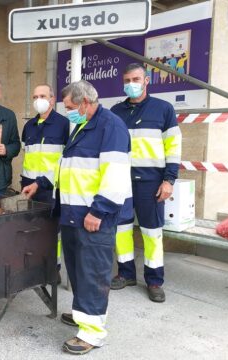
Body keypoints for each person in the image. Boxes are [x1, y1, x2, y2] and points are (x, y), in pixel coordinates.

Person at [57, 80, 131, 354]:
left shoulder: (110, 127)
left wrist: (98, 211)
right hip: (74, 214)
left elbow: (116, 176)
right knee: (78, 270)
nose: (68, 112)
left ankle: (92, 333)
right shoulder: (82, 126)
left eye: (70, 107)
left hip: (93, 217)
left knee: (93, 272)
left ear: (85, 102)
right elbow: (73, 169)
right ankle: (82, 314)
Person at [110, 63, 182, 303]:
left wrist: (169, 180)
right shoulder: (116, 111)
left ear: (146, 80)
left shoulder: (163, 109)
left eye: (136, 79)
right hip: (121, 181)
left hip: (151, 181)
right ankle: (126, 273)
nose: (132, 84)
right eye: (128, 80)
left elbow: (173, 147)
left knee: (152, 232)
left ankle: (154, 280)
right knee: (121, 229)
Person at [20, 84, 69, 282]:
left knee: (51, 231)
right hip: (29, 188)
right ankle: (33, 266)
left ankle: (53, 267)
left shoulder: (64, 124)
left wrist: (44, 182)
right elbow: (26, 155)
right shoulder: (29, 126)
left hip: (51, 187)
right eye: (35, 96)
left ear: (52, 98)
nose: (38, 99)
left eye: (43, 95)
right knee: (30, 229)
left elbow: (66, 159)